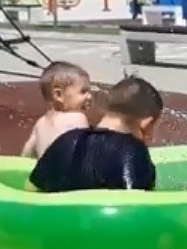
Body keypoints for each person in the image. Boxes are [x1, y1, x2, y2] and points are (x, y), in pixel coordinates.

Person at [27, 76, 162, 193]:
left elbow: (31, 188)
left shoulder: (67, 139)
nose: (152, 137)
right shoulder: (133, 151)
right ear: (146, 124)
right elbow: (137, 202)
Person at [21, 61, 92, 159]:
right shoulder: (77, 118)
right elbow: (86, 151)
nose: (89, 96)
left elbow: (26, 153)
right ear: (58, 95)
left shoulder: (40, 123)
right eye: (83, 92)